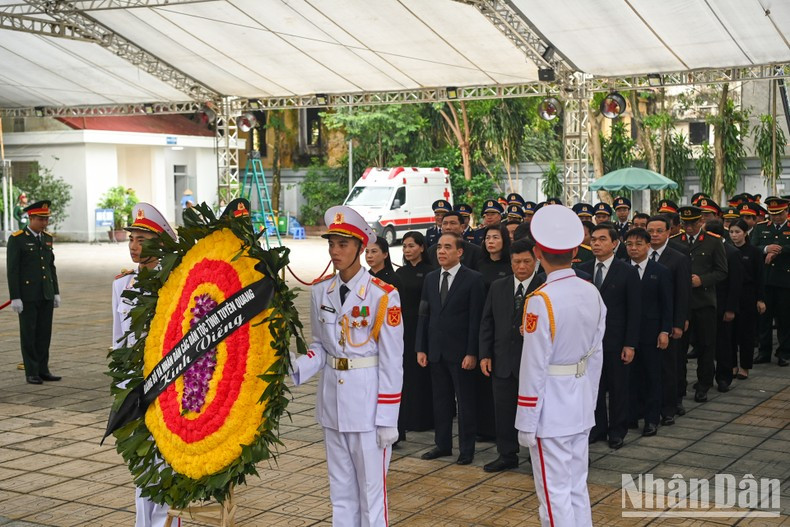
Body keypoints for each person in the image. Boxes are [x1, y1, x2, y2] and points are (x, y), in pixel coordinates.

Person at [290, 206, 403, 525]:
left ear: (360, 247)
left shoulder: (383, 295)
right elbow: (321, 347)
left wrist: (387, 417)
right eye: (332, 244)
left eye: (343, 244)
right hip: (333, 407)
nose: (335, 251)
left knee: (371, 496)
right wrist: (297, 367)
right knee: (340, 495)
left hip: (368, 409)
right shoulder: (320, 290)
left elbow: (393, 360)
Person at [515, 204, 606, 527]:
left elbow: (533, 365)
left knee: (553, 494)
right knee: (576, 486)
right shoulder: (591, 291)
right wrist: (589, 401)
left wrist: (526, 418)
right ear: (574, 252)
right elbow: (596, 355)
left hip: (549, 409)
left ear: (538, 252)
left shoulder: (541, 299)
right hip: (579, 402)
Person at [111, 202, 179, 527]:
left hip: (169, 389)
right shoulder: (121, 286)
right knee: (142, 467)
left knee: (167, 467)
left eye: (142, 239)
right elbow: (119, 345)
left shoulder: (176, 286)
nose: (135, 247)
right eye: (131, 239)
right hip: (136, 393)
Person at [416, 232, 484, 465]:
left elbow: (477, 319)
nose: (441, 251)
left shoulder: (473, 279)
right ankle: (442, 444)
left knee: (465, 403)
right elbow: (424, 314)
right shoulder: (431, 278)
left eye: (447, 247)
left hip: (461, 352)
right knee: (441, 400)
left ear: (460, 252)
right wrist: (421, 347)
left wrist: (472, 352)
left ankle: (467, 449)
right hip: (435, 350)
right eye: (439, 248)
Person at [479, 239, 543, 472]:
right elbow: (487, 322)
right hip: (503, 359)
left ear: (536, 261)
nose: (522, 266)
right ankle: (507, 454)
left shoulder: (543, 286)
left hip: (533, 362)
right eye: (517, 262)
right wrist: (485, 354)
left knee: (537, 410)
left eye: (527, 261)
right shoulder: (498, 286)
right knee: (504, 409)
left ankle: (537, 456)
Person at [580, 223, 641, 449]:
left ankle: (617, 430)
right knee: (593, 387)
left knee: (618, 388)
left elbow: (635, 311)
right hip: (589, 342)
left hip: (616, 340)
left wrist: (630, 344)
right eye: (593, 239)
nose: (596, 243)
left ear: (615, 244)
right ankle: (597, 427)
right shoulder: (583, 270)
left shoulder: (627, 272)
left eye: (602, 239)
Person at [677, 206, 728, 402]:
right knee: (680, 349)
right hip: (682, 303)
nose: (688, 227)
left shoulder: (713, 242)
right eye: (685, 223)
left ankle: (703, 385)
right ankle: (679, 387)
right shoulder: (675, 242)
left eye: (692, 223)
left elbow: (722, 271)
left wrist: (703, 280)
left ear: (701, 223)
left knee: (706, 346)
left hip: (704, 302)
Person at [624, 227, 672, 437]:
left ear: (648, 246)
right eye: (630, 245)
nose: (634, 249)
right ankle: (632, 415)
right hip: (627, 333)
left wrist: (665, 330)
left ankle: (652, 419)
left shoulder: (660, 271)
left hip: (651, 332)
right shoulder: (622, 269)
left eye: (638, 244)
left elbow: (667, 304)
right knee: (630, 377)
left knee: (653, 376)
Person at [7, 200, 61, 385]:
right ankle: (31, 371)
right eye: (41, 219)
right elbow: (13, 270)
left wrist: (55, 292)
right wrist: (15, 296)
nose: (44, 223)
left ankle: (43, 369)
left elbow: (50, 267)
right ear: (30, 218)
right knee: (29, 334)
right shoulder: (17, 239)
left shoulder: (47, 238)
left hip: (45, 293)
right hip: (27, 296)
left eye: (46, 219)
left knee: (44, 333)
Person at [646, 215, 691, 424]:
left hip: (669, 321)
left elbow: (683, 293)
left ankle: (669, 408)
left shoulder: (678, 257)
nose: (654, 235)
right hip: (645, 320)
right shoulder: (638, 254)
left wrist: (679, 323)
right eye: (651, 231)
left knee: (668, 366)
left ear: (668, 232)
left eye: (659, 231)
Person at [394, 232, 434, 441]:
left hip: (423, 324)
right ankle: (407, 417)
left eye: (411, 246)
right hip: (404, 326)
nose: (407, 250)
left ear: (421, 247)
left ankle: (424, 417)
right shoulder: (400, 272)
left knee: (422, 371)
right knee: (406, 371)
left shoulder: (430, 272)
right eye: (404, 247)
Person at [752, 197, 790, 366]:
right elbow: (752, 247)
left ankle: (784, 352)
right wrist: (766, 249)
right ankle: (764, 351)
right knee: (764, 318)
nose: (776, 218)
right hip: (765, 280)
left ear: (786, 212)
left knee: (784, 319)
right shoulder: (760, 228)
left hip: (785, 281)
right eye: (773, 214)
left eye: (780, 214)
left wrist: (779, 250)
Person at [706, 220, 742, 392]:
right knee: (706, 344)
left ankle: (724, 377)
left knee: (724, 344)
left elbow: (735, 284)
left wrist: (731, 309)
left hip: (723, 305)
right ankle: (706, 377)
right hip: (706, 305)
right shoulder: (703, 249)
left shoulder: (732, 252)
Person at [729, 219, 766, 379]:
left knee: (746, 334)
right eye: (731, 232)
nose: (734, 235)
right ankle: (732, 365)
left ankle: (745, 366)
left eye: (737, 232)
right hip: (730, 295)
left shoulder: (754, 252)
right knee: (729, 333)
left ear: (745, 233)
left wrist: (760, 299)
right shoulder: (727, 251)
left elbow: (760, 277)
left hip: (748, 294)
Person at [478, 225, 513, 292]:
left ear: (504, 240)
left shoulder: (511, 265)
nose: (490, 241)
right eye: (487, 238)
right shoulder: (479, 263)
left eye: (495, 237)